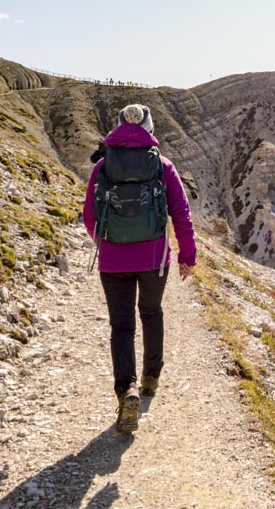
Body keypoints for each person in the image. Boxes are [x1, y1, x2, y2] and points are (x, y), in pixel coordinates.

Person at [82, 104, 196, 434]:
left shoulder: (102, 165)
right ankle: (151, 379)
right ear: (149, 127)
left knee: (121, 326)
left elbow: (90, 216)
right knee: (151, 313)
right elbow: (181, 215)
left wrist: (106, 243)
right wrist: (187, 256)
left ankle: (126, 391)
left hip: (113, 260)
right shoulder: (162, 165)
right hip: (154, 259)